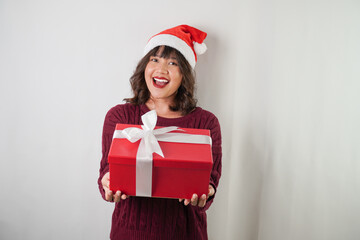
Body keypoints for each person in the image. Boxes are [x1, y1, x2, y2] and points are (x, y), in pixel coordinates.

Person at [98, 24, 222, 240]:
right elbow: (107, 172)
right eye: (154, 59)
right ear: (144, 66)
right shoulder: (119, 117)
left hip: (185, 234)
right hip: (129, 234)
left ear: (184, 74)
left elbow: (211, 180)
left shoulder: (206, 123)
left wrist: (206, 191)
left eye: (173, 63)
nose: (161, 69)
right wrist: (108, 183)